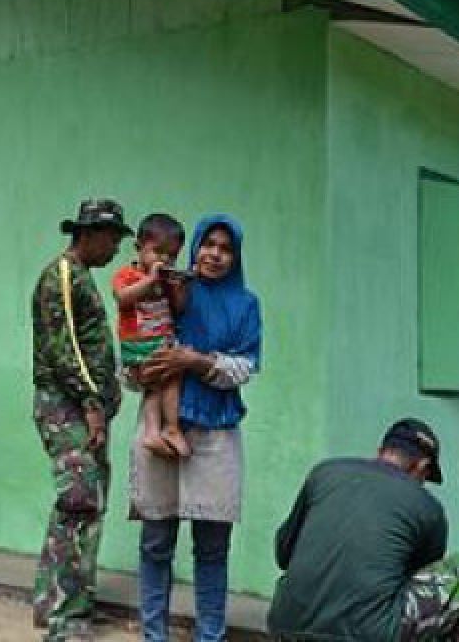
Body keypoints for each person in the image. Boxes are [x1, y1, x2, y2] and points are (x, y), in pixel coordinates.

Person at [128, 214, 263, 642]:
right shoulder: (168, 290)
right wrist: (141, 369)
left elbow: (244, 367)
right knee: (155, 543)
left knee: (211, 549)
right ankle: (155, 636)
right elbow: (133, 349)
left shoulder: (246, 304)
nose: (215, 255)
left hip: (216, 435)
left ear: (236, 256)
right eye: (209, 245)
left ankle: (210, 636)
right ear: (195, 248)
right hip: (162, 430)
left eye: (226, 249)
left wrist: (196, 362)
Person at [268, 418, 459, 642]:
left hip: (286, 627)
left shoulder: (324, 473)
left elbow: (283, 554)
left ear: (381, 451)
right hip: (371, 633)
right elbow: (416, 577)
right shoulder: (427, 506)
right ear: (422, 466)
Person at [31, 199, 132, 642]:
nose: (115, 248)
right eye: (112, 238)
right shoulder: (64, 276)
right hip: (68, 408)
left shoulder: (81, 276)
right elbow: (64, 349)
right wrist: (93, 405)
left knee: (82, 504)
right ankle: (65, 619)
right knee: (79, 502)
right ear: (89, 234)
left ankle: (58, 602)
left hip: (81, 407)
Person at [112, 213, 190, 458]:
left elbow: (178, 310)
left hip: (161, 340)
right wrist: (150, 280)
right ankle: (161, 430)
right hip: (139, 343)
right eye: (158, 252)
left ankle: (163, 430)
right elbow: (122, 298)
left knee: (168, 380)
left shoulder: (167, 279)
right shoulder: (126, 274)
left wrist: (178, 289)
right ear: (138, 248)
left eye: (172, 256)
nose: (165, 260)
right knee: (158, 381)